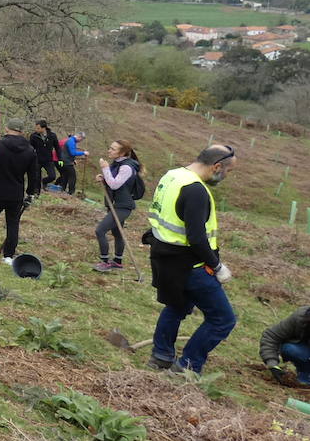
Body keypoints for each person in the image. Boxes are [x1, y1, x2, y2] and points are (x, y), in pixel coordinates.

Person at [143, 144, 239, 374]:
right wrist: (217, 266)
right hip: (190, 267)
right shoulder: (196, 190)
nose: (227, 176)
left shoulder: (172, 176)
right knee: (223, 320)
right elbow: (196, 238)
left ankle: (161, 356)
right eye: (229, 171)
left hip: (166, 258)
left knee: (177, 306)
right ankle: (188, 366)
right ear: (217, 166)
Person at [0, 119, 38, 266]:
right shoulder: (30, 150)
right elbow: (33, 175)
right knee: (13, 224)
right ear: (21, 132)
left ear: (7, 129)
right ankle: (8, 255)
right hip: (15, 193)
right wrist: (30, 193)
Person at [94, 141, 143, 272]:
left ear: (122, 153)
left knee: (100, 231)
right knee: (117, 233)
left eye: (113, 149)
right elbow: (114, 182)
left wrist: (105, 168)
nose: (109, 150)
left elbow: (115, 184)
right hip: (115, 204)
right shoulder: (118, 164)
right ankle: (117, 262)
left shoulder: (127, 167)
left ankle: (105, 262)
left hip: (122, 206)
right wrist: (103, 178)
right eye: (110, 148)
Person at [260, 305, 310, 387]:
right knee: (290, 349)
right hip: (305, 351)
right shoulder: (301, 317)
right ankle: (305, 376)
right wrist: (272, 364)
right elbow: (271, 336)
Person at [30, 120, 60, 194]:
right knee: (37, 177)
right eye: (36, 128)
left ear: (44, 128)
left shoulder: (52, 136)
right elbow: (30, 147)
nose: (36, 130)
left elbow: (57, 148)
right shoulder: (34, 136)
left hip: (48, 160)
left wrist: (60, 159)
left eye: (38, 128)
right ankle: (36, 192)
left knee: (52, 176)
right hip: (37, 159)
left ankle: (44, 181)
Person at [56, 130, 87, 196]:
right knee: (73, 177)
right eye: (81, 140)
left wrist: (73, 160)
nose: (80, 141)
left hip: (64, 161)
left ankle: (62, 189)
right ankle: (70, 192)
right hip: (66, 162)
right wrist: (83, 153)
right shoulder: (71, 141)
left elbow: (68, 152)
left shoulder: (71, 140)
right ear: (79, 137)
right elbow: (72, 153)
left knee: (65, 176)